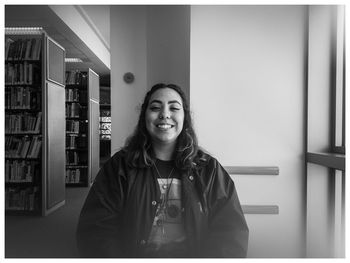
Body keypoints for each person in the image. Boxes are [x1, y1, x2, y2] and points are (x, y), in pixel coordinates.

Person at [76, 83, 249, 258]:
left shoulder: (209, 169)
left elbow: (230, 232)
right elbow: (96, 231)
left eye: (174, 108)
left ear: (184, 118)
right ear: (145, 116)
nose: (165, 114)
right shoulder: (119, 167)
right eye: (155, 107)